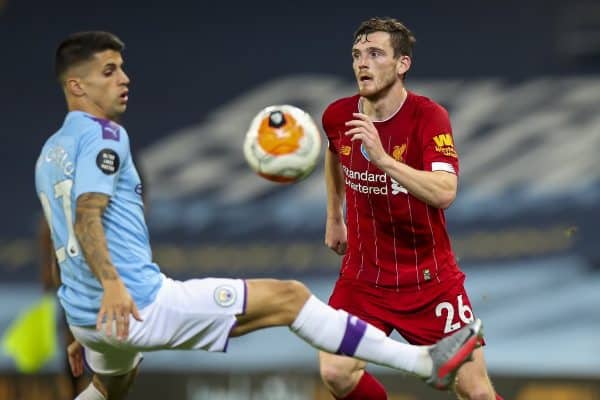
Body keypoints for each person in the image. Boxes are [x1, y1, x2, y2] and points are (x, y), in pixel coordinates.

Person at [34, 31, 483, 400]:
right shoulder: (105, 137)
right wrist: (112, 287)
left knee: (110, 386)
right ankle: (424, 363)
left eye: (121, 67)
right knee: (288, 298)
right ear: (77, 85)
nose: (124, 78)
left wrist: (90, 322)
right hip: (137, 302)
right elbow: (86, 218)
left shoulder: (51, 152)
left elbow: (62, 238)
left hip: (89, 316)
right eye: (109, 71)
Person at [319, 17, 502, 400]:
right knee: (336, 372)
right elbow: (334, 153)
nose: (361, 64)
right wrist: (335, 217)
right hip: (363, 281)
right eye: (356, 55)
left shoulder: (428, 117)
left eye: (374, 54)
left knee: (478, 393)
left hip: (430, 284)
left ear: (402, 64)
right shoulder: (338, 116)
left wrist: (383, 159)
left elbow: (445, 192)